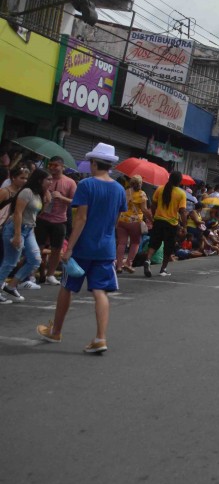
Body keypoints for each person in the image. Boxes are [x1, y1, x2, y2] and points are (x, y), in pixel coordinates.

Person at [36, 143, 127, 353]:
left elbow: (81, 219)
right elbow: (115, 221)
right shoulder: (119, 189)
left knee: (67, 287)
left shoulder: (86, 185)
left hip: (83, 247)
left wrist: (69, 249)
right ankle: (100, 338)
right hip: (106, 248)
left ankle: (56, 331)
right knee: (100, 292)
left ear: (94, 163)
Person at [1, 167, 52, 300]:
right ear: (40, 180)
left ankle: (11, 286)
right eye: (48, 179)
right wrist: (17, 235)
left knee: (35, 260)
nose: (51, 182)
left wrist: (47, 199)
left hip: (29, 229)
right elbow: (18, 213)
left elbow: (35, 214)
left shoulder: (38, 194)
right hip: (16, 228)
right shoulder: (27, 192)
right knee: (10, 262)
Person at [37, 156, 76, 286]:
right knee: (38, 248)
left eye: (56, 165)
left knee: (56, 249)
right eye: (51, 165)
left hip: (60, 220)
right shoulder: (44, 179)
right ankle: (33, 273)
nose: (53, 168)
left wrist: (61, 198)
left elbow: (75, 202)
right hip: (42, 218)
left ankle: (50, 274)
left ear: (62, 167)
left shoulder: (69, 182)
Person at [144, 171, 186, 277]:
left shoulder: (160, 189)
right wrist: (184, 226)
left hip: (158, 221)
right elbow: (183, 212)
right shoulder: (181, 193)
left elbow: (153, 205)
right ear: (179, 181)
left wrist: (154, 217)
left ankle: (148, 260)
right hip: (171, 224)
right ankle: (163, 269)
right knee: (168, 247)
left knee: (154, 243)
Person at [115, 176, 151, 273]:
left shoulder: (125, 192)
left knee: (121, 243)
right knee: (135, 243)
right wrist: (151, 219)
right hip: (135, 221)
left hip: (122, 220)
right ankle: (128, 263)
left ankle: (118, 266)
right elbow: (144, 209)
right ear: (140, 184)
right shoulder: (142, 194)